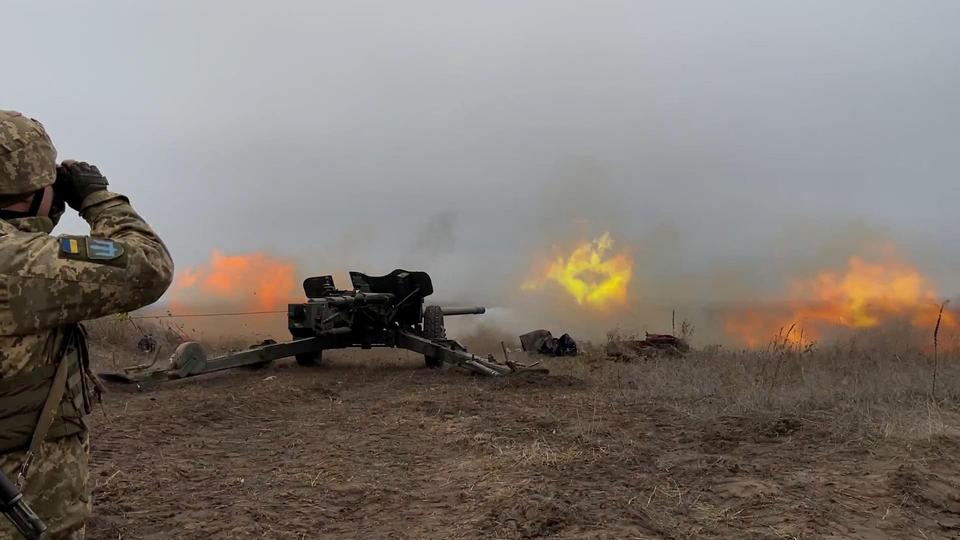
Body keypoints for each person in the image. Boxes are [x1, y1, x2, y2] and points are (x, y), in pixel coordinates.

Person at [0, 110, 174, 539]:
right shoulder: (23, 265)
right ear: (32, 187)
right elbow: (149, 265)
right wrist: (96, 197)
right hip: (24, 506)